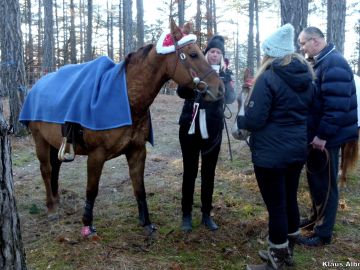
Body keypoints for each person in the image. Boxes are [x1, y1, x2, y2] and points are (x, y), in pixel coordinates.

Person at [236, 24, 314, 270]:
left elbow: (256, 119)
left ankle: (276, 261)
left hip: (271, 154)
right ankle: (286, 251)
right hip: (296, 150)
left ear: (270, 52)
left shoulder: (268, 77)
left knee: (276, 207)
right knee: (289, 199)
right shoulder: (306, 76)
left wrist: (242, 118)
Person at [297, 27, 358, 246]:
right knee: (316, 180)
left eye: (303, 43)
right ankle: (315, 220)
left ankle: (323, 235)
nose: (301, 48)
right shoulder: (323, 61)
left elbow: (337, 107)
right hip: (318, 135)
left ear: (315, 41)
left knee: (326, 184)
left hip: (328, 138)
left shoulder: (334, 63)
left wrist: (322, 135)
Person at [177, 35, 235, 232]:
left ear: (222, 56)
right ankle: (186, 215)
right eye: (211, 52)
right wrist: (195, 86)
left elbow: (229, 99)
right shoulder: (193, 69)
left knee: (208, 173)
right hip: (190, 126)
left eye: (218, 53)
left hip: (213, 128)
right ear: (206, 53)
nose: (215, 55)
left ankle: (206, 215)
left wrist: (227, 81)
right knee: (190, 171)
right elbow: (180, 92)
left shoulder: (226, 74)